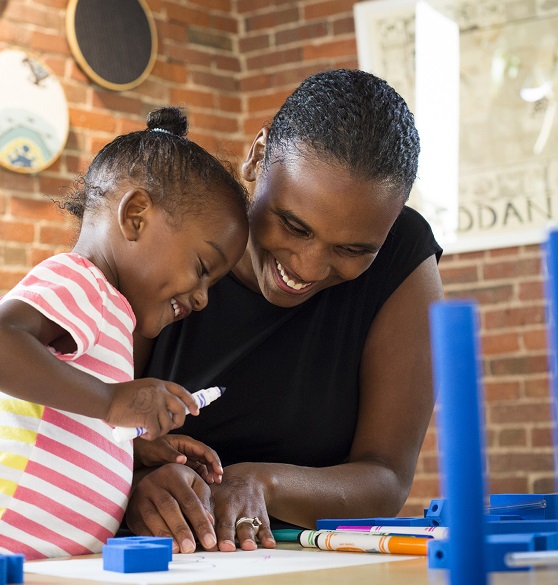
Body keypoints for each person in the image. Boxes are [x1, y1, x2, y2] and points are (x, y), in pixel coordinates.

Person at [0, 107, 249, 568]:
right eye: (202, 269)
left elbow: (53, 418)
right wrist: (113, 400)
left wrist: (130, 445)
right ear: (136, 215)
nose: (202, 299)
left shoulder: (108, 313)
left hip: (29, 564)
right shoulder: (81, 282)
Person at [126, 69, 445, 555]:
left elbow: (387, 476)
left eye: (354, 249)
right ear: (257, 157)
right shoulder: (171, 230)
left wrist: (264, 483)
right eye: (293, 225)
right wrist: (131, 485)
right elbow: (76, 428)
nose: (308, 267)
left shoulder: (403, 260)